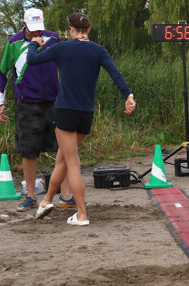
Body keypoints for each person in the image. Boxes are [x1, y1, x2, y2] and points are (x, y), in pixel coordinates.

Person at [29, 13, 136, 226]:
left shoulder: (62, 48)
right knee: (62, 158)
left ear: (70, 28)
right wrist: (128, 96)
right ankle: (47, 201)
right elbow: (115, 73)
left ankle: (82, 214)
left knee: (72, 163)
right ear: (89, 29)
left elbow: (32, 60)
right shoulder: (98, 50)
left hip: (65, 111)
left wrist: (34, 43)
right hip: (85, 113)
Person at [0, 8, 73, 212]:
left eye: (39, 29)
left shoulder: (53, 38)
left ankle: (66, 196)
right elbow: (2, 74)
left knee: (64, 148)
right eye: (32, 29)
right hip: (27, 103)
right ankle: (30, 197)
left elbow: (65, 65)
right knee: (28, 151)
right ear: (24, 24)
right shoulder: (13, 43)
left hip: (55, 101)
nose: (37, 33)